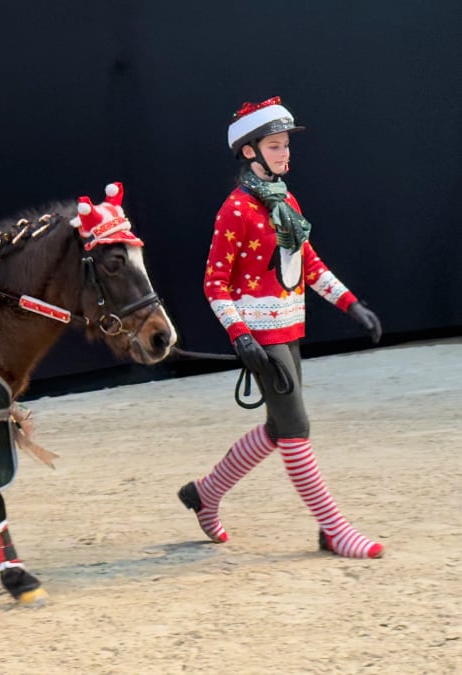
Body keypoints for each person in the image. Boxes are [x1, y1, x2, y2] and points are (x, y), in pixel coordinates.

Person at [178, 96, 384, 559]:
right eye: (274, 145)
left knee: (277, 428)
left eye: (285, 144)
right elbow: (214, 283)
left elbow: (307, 262)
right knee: (295, 429)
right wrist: (240, 335)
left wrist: (350, 304)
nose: (284, 153)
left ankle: (206, 494)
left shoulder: (285, 199)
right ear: (249, 151)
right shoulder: (235, 209)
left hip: (290, 328)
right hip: (261, 335)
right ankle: (333, 529)